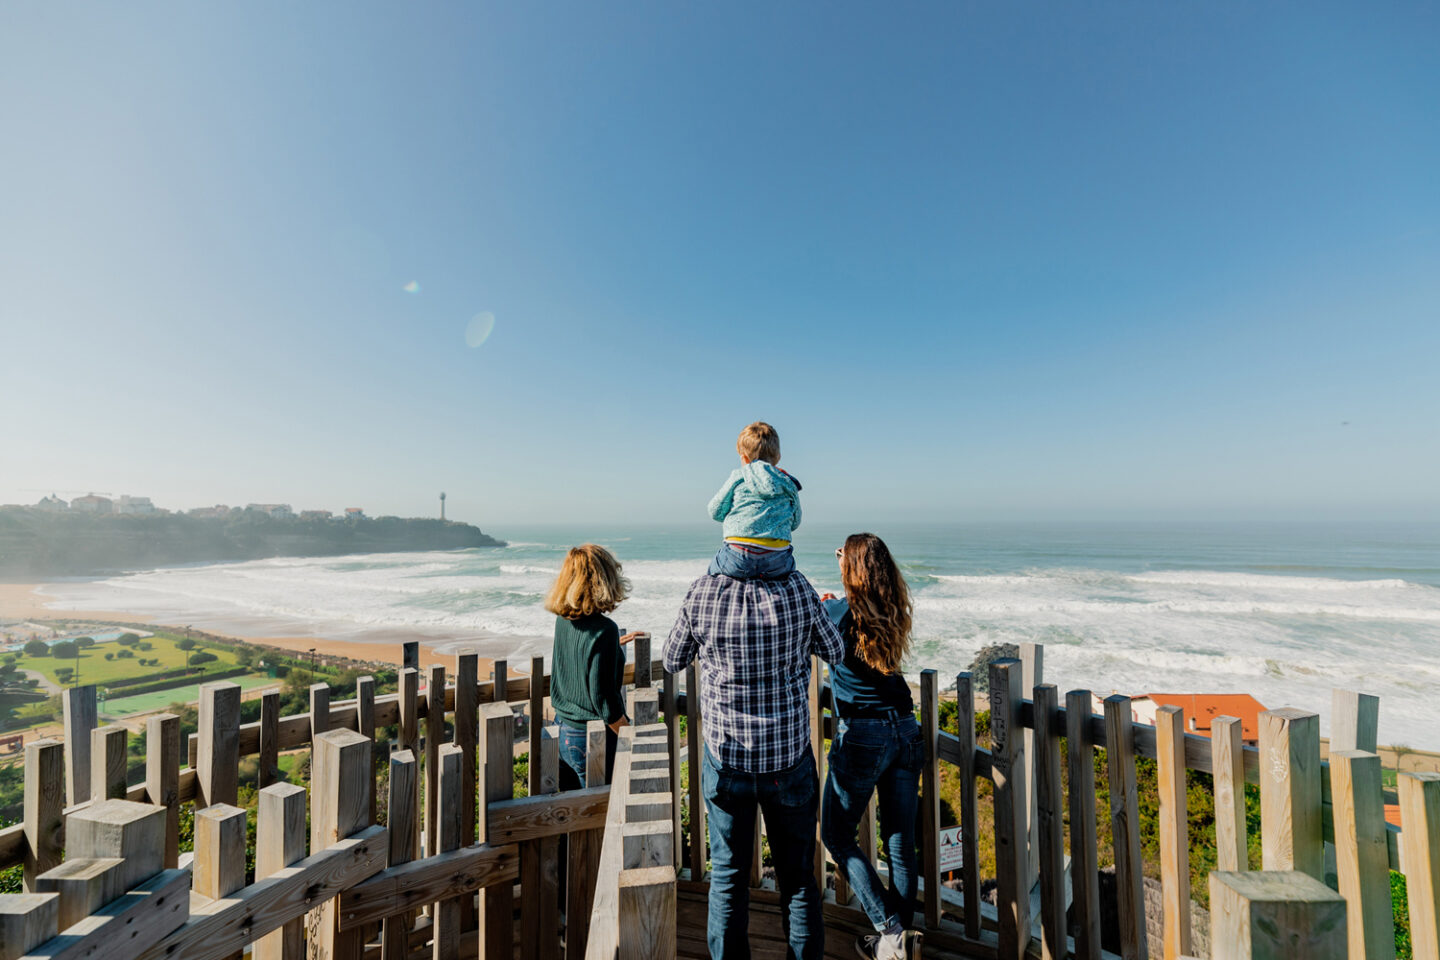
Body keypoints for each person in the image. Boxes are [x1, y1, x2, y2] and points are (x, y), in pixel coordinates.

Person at [664, 564, 844, 960]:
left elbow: (672, 659)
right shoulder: (798, 588)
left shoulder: (703, 590)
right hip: (788, 758)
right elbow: (835, 650)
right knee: (797, 879)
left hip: (728, 759)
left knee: (728, 878)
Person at [819, 533, 922, 960]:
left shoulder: (838, 612)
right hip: (905, 727)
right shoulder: (893, 608)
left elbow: (820, 636)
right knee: (899, 841)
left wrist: (829, 600)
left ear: (852, 569)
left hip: (863, 734)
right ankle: (899, 945)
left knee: (836, 834)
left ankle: (890, 930)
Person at [546, 544, 641, 789]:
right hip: (590, 737)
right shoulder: (604, 630)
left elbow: (576, 655)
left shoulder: (563, 620)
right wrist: (632, 738)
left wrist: (612, 646)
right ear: (604, 580)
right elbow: (604, 701)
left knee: (573, 817)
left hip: (561, 729)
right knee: (602, 816)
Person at [706, 421, 803, 580]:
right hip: (778, 559)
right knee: (790, 573)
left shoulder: (738, 476)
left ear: (743, 457)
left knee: (712, 574)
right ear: (778, 457)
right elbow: (795, 522)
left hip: (737, 556)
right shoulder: (788, 483)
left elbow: (715, 511)